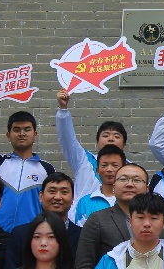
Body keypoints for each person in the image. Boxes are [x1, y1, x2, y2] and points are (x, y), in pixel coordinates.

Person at [55, 88, 129, 223]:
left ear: (124, 145)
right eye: (105, 135)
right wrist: (63, 110)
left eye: (116, 136)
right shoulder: (83, 160)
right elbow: (67, 139)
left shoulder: (131, 169)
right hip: (82, 223)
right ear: (97, 143)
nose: (111, 139)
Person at [4, 173, 79, 269]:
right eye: (52, 191)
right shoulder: (20, 234)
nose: (57, 197)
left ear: (73, 198)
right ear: (41, 196)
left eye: (64, 192)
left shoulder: (82, 235)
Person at [68, 144, 126, 226]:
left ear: (124, 169)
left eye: (115, 165)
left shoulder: (130, 200)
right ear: (97, 170)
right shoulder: (85, 202)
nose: (109, 169)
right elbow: (80, 231)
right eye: (104, 165)